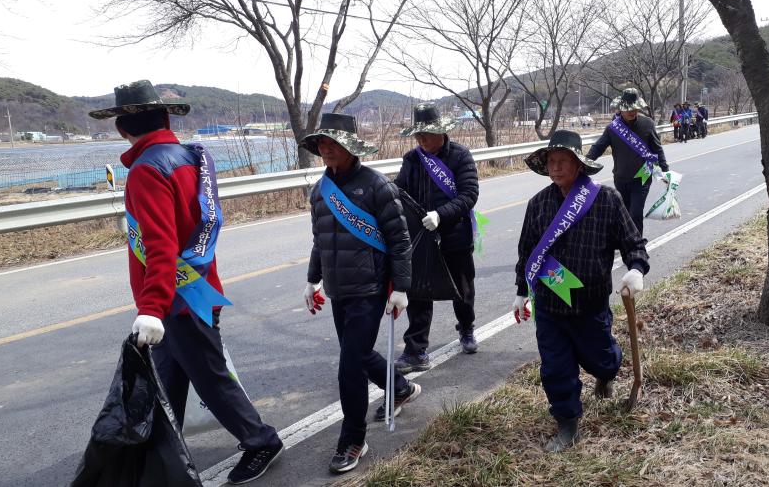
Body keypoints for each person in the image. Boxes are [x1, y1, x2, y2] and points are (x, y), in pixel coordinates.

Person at [89, 80, 283, 485]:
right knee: (166, 379)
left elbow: (160, 244)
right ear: (163, 118)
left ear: (122, 128)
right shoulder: (188, 156)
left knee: (209, 376)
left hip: (175, 300)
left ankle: (260, 440)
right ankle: (156, 452)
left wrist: (151, 307)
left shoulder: (147, 170)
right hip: (195, 287)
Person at [512, 130, 650, 452]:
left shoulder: (606, 200)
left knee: (602, 360)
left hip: (590, 304)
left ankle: (606, 374)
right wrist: (522, 290)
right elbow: (527, 253)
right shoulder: (538, 205)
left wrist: (635, 268)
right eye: (551, 162)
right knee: (555, 367)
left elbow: (634, 243)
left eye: (563, 161)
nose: (556, 168)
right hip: (550, 306)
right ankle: (568, 424)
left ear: (579, 166)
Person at [299, 113, 421, 474]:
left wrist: (400, 287)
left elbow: (400, 241)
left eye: (332, 143)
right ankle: (399, 387)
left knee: (349, 365)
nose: (326, 149)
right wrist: (313, 279)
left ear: (350, 147)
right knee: (360, 353)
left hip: (370, 289)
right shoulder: (320, 191)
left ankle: (353, 438)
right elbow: (320, 240)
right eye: (321, 143)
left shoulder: (376, 186)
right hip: (340, 290)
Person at [393, 103, 480, 371]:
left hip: (454, 235)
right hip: (423, 238)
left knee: (462, 290)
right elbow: (400, 191)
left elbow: (469, 195)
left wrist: (441, 215)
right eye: (418, 136)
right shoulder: (412, 159)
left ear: (441, 132)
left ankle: (466, 329)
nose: (421, 140)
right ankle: (416, 350)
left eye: (426, 135)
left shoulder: (460, 156)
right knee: (418, 293)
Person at [585, 88, 669, 235]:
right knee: (624, 213)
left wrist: (665, 170)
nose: (632, 112)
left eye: (635, 109)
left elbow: (657, 148)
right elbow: (598, 148)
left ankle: (637, 246)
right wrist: (584, 165)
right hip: (620, 178)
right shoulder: (613, 128)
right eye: (628, 109)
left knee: (636, 213)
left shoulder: (647, 124)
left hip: (642, 177)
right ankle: (627, 240)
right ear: (620, 109)